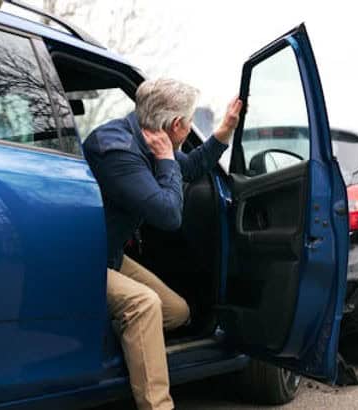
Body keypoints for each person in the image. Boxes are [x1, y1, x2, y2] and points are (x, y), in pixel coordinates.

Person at [83, 78, 242, 410]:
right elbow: (169, 215)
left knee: (177, 311)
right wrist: (168, 161)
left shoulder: (149, 138)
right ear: (177, 125)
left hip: (109, 255)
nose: (186, 130)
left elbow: (194, 166)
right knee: (144, 305)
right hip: (83, 259)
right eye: (188, 122)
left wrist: (225, 130)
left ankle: (125, 340)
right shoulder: (117, 150)